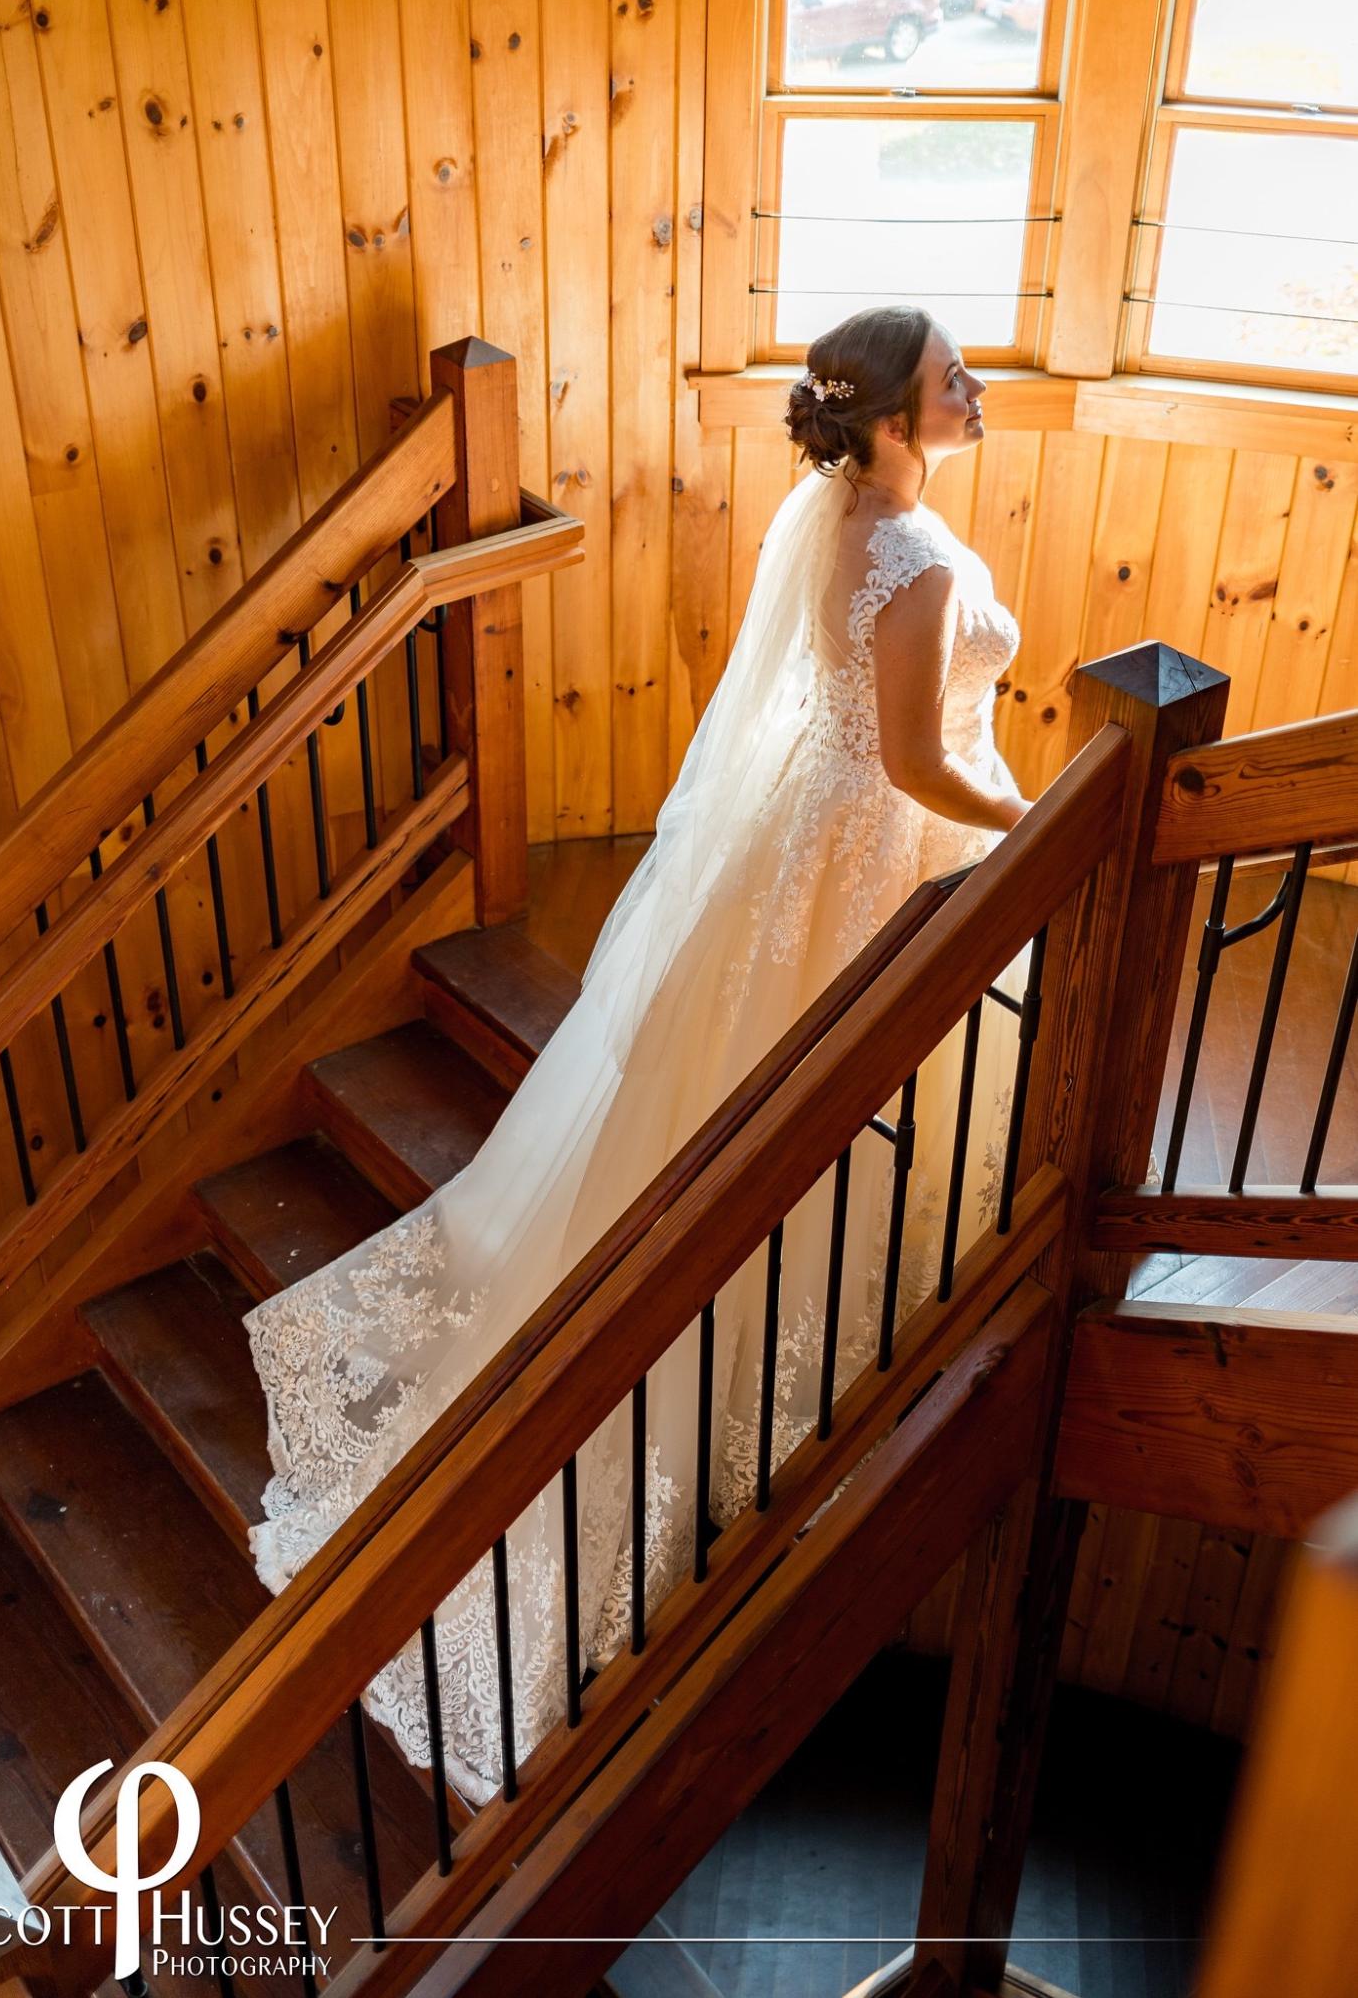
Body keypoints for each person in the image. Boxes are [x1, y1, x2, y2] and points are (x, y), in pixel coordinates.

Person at [242, 305, 1031, 1804]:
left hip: (811, 824)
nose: (976, 389)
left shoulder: (840, 508)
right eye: (953, 379)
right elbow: (924, 760)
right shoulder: (912, 557)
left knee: (736, 1077)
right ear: (889, 415)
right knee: (819, 1092)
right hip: (881, 841)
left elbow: (839, 714)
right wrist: (1032, 828)